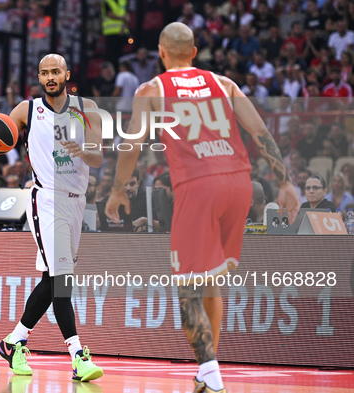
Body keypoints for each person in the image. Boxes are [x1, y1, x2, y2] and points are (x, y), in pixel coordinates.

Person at [105, 23, 299, 393]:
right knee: (211, 282)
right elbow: (260, 131)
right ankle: (206, 373)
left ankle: (211, 376)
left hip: (199, 187)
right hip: (240, 184)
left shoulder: (152, 89)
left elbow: (132, 145)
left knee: (188, 289)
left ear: (162, 54)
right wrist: (286, 181)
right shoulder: (224, 84)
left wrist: (117, 190)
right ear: (194, 52)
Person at [0, 54, 104, 381]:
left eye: (55, 71)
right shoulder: (26, 110)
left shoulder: (86, 108)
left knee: (53, 279)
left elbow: (98, 155)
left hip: (77, 201)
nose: (50, 77)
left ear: (67, 74)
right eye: (44, 72)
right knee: (62, 277)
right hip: (46, 198)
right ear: (39, 76)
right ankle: (78, 355)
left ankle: (13, 341)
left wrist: (80, 150)